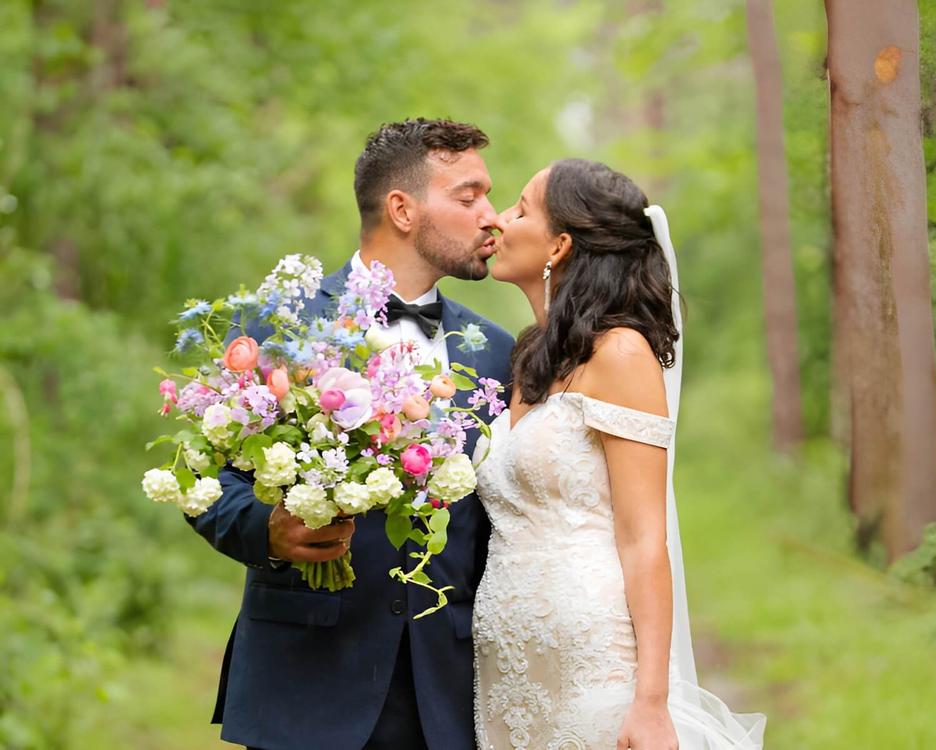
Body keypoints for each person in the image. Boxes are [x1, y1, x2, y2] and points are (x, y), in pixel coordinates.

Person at [187, 118, 515, 750]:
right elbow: (206, 477)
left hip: (444, 693)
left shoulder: (498, 354)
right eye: (469, 197)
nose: (491, 217)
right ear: (402, 209)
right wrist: (272, 532)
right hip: (304, 683)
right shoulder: (281, 323)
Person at [472, 158, 766, 749]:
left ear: (559, 245)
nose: (500, 220)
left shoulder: (621, 353)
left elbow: (643, 536)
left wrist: (652, 701)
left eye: (521, 208)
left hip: (594, 660)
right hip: (510, 668)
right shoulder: (530, 361)